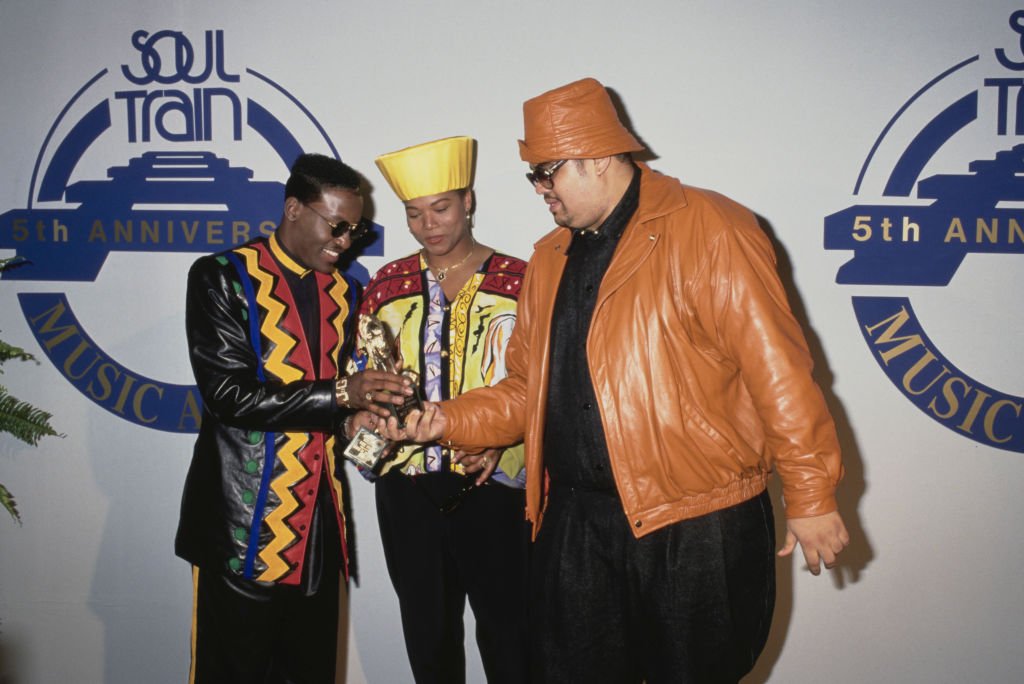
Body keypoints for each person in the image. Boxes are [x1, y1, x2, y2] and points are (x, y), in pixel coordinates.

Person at [382, 79, 851, 683]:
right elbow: (527, 387)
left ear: (598, 158)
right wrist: (447, 419)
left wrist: (811, 496)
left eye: (547, 172)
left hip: (696, 522)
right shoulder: (549, 256)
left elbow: (779, 372)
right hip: (576, 524)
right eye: (533, 176)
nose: (539, 189)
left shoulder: (712, 227)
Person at [175, 152, 411, 683]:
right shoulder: (221, 277)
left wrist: (363, 421)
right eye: (337, 225)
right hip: (241, 533)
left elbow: (339, 409)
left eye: (357, 229)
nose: (346, 242)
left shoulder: (347, 293)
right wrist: (341, 395)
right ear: (293, 209)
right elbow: (229, 397)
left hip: (317, 532)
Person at [359, 135, 530, 684]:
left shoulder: (522, 282)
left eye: (441, 208)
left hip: (496, 487)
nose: (429, 225)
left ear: (469, 202)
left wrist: (503, 443)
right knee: (428, 641)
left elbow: (542, 386)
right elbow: (363, 379)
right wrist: (362, 415)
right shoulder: (386, 285)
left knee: (512, 641)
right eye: (414, 214)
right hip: (407, 490)